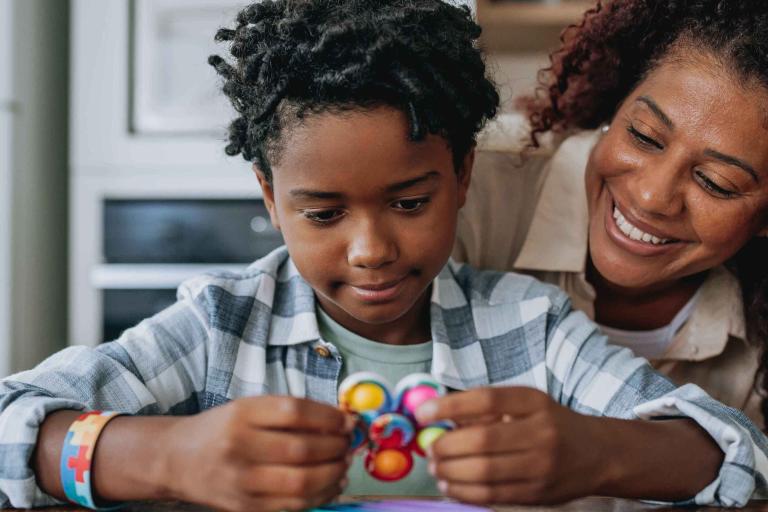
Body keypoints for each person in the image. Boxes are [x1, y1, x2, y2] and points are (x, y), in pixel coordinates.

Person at [0, 1, 766, 511]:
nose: (370, 251)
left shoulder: (530, 323)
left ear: (464, 176)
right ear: (270, 198)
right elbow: (12, 423)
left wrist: (596, 449)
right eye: (324, 212)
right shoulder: (221, 325)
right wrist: (161, 456)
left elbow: (734, 448)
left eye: (409, 204)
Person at [455, 0, 768, 427]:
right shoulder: (467, 186)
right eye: (643, 136)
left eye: (716, 182)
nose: (652, 195)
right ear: (614, 108)